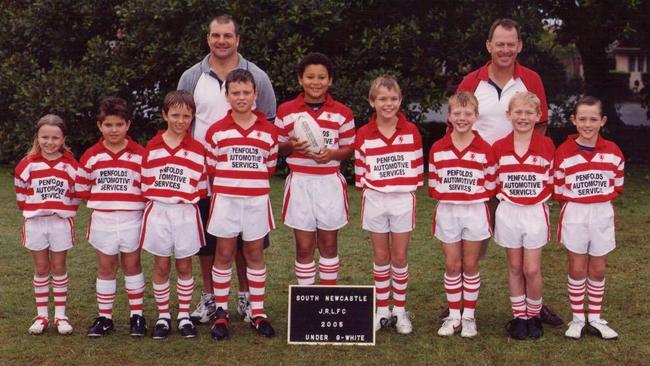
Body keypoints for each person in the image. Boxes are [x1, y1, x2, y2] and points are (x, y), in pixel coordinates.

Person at [456, 18, 562, 327]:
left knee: (527, 250)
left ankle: (532, 307)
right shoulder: (471, 81)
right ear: (489, 46)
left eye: (510, 44)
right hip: (479, 176)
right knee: (472, 244)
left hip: (520, 179)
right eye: (499, 44)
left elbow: (540, 125)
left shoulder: (531, 79)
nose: (505, 49)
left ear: (519, 46)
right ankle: (460, 307)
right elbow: (457, 123)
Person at [178, 14, 276, 324]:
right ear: (207, 38)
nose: (222, 41)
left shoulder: (256, 75)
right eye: (216, 35)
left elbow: (270, 122)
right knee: (208, 242)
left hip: (243, 180)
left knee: (246, 242)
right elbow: (181, 123)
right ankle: (210, 299)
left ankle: (247, 299)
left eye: (227, 36)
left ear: (237, 39)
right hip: (202, 172)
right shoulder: (191, 77)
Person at [204, 69, 278, 340]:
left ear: (255, 95)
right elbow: (212, 167)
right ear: (227, 96)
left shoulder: (269, 131)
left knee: (255, 254)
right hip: (226, 200)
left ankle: (257, 312)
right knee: (223, 253)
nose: (241, 97)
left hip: (256, 200)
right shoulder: (216, 131)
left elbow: (269, 167)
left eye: (246, 92)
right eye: (235, 93)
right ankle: (221, 314)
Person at [275, 52, 355, 286]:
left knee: (329, 244)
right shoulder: (286, 110)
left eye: (322, 77)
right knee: (304, 246)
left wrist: (332, 155)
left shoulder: (342, 112)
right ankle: (307, 300)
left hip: (329, 181)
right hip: (300, 182)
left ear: (330, 80)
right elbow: (278, 148)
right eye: (310, 77)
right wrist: (292, 145)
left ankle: (326, 298)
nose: (316, 82)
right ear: (300, 79)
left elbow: (349, 147)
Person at [354, 76, 423, 334]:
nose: (388, 103)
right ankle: (382, 309)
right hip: (374, 199)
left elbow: (417, 169)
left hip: (403, 199)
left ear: (401, 100)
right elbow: (360, 171)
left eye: (393, 98)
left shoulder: (411, 131)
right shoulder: (363, 133)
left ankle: (400, 309)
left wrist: (401, 187)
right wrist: (375, 187)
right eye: (382, 98)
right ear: (372, 101)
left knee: (400, 256)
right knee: (381, 256)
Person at [76, 97, 147, 337]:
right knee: (106, 267)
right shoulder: (92, 155)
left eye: (119, 124)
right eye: (108, 125)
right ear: (99, 126)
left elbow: (147, 186)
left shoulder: (140, 154)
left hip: (132, 218)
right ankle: (105, 318)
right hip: (104, 219)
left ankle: (137, 316)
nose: (114, 130)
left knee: (132, 265)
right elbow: (82, 188)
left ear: (128, 124)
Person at [554, 96, 624, 340]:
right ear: (574, 120)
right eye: (582, 119)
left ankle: (594, 317)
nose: (587, 124)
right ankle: (577, 319)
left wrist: (597, 198)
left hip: (602, 212)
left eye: (593, 119)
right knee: (577, 266)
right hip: (575, 212)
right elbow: (559, 187)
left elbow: (617, 185)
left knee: (598, 267)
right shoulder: (563, 152)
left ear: (602, 121)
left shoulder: (613, 151)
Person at [140, 90, 208, 340]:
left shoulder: (198, 149)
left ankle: (183, 315)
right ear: (164, 115)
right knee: (161, 265)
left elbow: (200, 188)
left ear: (193, 117)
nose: (180, 121)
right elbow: (145, 184)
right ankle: (163, 316)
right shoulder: (152, 147)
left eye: (186, 116)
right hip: (159, 212)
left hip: (185, 213)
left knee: (184, 265)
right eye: (175, 115)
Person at [429, 92, 496, 338]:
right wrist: (453, 193)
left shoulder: (485, 149)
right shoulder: (438, 147)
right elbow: (434, 183)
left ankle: (469, 316)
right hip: (448, 211)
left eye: (468, 113)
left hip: (475, 211)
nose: (462, 117)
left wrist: (469, 194)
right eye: (457, 113)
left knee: (470, 264)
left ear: (476, 116)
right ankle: (453, 315)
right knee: (451, 264)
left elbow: (490, 185)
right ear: (449, 116)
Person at [492, 92, 555, 340]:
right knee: (515, 266)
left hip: (534, 212)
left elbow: (550, 178)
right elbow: (494, 179)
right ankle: (520, 317)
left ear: (538, 116)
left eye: (529, 112)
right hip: (509, 212)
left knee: (531, 268)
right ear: (509, 115)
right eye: (518, 112)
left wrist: (534, 198)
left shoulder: (547, 145)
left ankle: (534, 314)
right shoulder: (499, 146)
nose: (523, 117)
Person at [14, 114, 80, 335]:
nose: (49, 142)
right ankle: (42, 315)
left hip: (59, 223)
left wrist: (63, 210)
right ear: (37, 137)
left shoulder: (70, 165)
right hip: (35, 223)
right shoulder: (26, 165)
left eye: (55, 138)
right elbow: (21, 196)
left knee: (59, 267)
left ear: (63, 139)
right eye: (45, 137)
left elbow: (75, 194)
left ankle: (60, 316)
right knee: (42, 268)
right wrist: (34, 210)